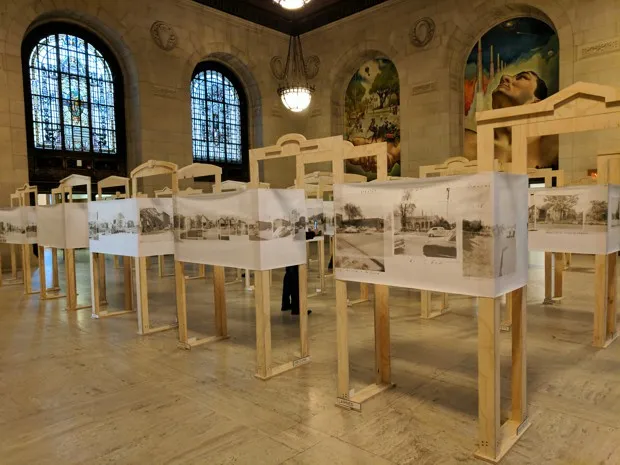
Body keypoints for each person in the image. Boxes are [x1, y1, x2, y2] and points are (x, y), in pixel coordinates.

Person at [281, 230, 315, 315]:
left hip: (287, 249)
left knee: (288, 277)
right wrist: (313, 233)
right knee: (294, 279)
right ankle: (297, 307)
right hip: (294, 251)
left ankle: (286, 303)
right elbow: (299, 235)